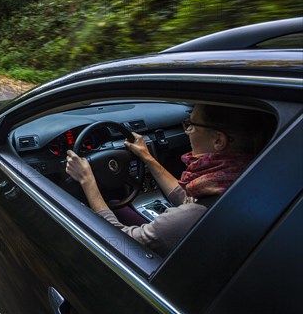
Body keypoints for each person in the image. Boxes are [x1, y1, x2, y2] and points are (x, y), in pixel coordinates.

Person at [65, 103, 273, 256]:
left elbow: (122, 242)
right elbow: (188, 198)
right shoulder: (247, 177)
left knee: (114, 206)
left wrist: (87, 181)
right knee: (118, 207)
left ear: (218, 140)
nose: (187, 131)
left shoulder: (190, 217)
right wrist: (146, 157)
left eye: (191, 125)